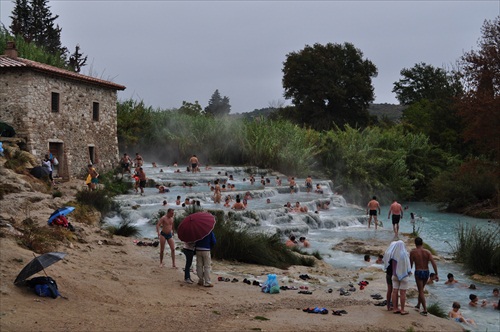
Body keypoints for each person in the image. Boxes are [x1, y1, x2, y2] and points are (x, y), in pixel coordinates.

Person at [410, 237, 439, 316]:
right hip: (426, 272)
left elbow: (411, 264)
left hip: (418, 272)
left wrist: (408, 272)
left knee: (420, 291)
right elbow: (433, 263)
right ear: (422, 243)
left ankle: (425, 310)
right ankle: (418, 305)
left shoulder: (413, 252)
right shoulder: (427, 252)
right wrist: (436, 274)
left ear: (415, 244)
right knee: (421, 289)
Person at [383, 240, 412, 315]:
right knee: (403, 293)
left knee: (394, 291)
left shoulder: (393, 255)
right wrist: (409, 272)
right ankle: (402, 309)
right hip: (404, 276)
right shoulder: (405, 254)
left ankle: (395, 308)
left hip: (394, 275)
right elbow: (408, 266)